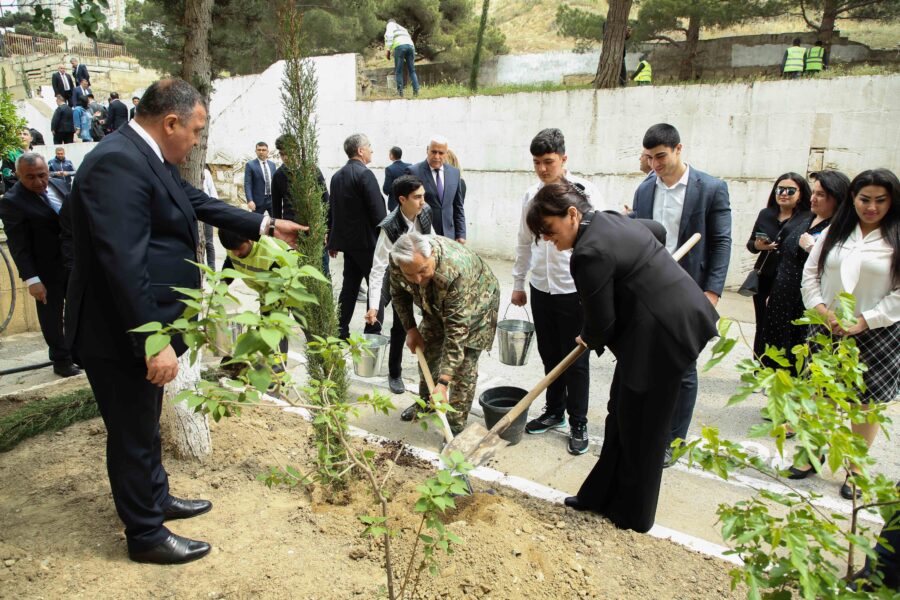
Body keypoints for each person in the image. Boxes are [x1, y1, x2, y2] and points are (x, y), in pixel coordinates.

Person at [64, 78, 306, 564]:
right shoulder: (117, 162)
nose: (197, 141)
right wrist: (154, 340)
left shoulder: (147, 155)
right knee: (132, 434)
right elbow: (123, 261)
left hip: (140, 328)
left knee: (146, 424)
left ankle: (155, 499)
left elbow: (191, 201)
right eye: (194, 131)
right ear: (170, 122)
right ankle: (145, 535)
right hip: (120, 334)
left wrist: (262, 224)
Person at [527, 182, 718, 533]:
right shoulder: (613, 220)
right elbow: (656, 231)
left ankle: (634, 515)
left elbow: (602, 322)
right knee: (620, 414)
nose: (549, 241)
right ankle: (599, 495)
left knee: (644, 429)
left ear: (572, 214)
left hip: (665, 338)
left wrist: (587, 336)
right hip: (661, 327)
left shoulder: (588, 253)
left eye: (550, 232)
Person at [632, 123, 731, 466]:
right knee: (649, 360)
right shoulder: (645, 190)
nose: (656, 164)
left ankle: (674, 439)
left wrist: (712, 293)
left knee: (683, 367)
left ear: (678, 149)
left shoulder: (711, 189)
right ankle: (651, 428)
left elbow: (720, 243)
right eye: (650, 158)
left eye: (661, 156)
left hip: (690, 291)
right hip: (650, 289)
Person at [801, 168, 900, 499]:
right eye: (864, 199)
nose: (871, 207)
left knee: (866, 404)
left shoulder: (895, 238)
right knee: (820, 394)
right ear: (853, 200)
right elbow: (811, 274)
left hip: (876, 332)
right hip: (827, 325)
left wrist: (865, 320)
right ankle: (812, 453)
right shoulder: (835, 233)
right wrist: (821, 310)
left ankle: (855, 467)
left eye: (880, 200)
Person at [511, 128, 597, 455]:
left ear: (564, 159)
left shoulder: (584, 193)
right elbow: (523, 241)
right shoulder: (531, 194)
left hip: (574, 290)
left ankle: (578, 421)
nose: (543, 169)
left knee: (575, 358)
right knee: (549, 354)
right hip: (541, 288)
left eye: (548, 162)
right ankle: (554, 411)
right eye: (537, 163)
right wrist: (519, 283)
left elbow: (597, 241)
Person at [389, 231, 499, 434]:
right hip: (435, 303)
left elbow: (456, 333)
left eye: (422, 270)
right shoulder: (399, 260)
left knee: (463, 368)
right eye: (410, 274)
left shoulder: (456, 271)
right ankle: (427, 402)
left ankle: (455, 428)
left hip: (476, 305)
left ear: (431, 254)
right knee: (428, 350)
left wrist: (443, 382)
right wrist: (411, 329)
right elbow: (397, 293)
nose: (418, 279)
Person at [0, 153, 81, 378]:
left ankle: (80, 353)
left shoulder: (60, 184)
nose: (38, 182)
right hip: (46, 269)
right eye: (30, 177)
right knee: (52, 316)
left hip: (73, 262)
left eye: (42, 175)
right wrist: (32, 279)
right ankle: (61, 361)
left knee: (81, 310)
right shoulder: (11, 201)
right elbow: (18, 245)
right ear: (18, 176)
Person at [761, 170, 844, 386]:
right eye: (813, 192)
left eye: (821, 195)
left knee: (799, 352)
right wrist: (773, 292)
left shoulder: (838, 229)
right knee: (777, 346)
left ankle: (796, 406)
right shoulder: (806, 218)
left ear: (837, 198)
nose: (813, 198)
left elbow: (838, 267)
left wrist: (813, 248)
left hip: (806, 303)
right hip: (782, 296)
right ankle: (778, 399)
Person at [364, 175, 432, 396]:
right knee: (390, 319)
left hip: (415, 272)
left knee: (405, 326)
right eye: (417, 197)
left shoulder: (425, 213)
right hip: (392, 275)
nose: (423, 201)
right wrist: (374, 304)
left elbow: (432, 242)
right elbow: (378, 268)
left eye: (423, 196)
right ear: (402, 199)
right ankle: (393, 373)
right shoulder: (390, 226)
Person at [746, 173, 811, 359]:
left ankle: (781, 367)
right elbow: (751, 244)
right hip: (765, 277)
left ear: (801, 193)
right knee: (762, 322)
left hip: (789, 280)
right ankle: (759, 364)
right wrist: (758, 245)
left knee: (783, 325)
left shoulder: (807, 217)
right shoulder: (766, 214)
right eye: (779, 189)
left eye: (790, 190)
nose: (784, 194)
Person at [328, 133, 386, 340]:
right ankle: (372, 331)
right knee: (377, 286)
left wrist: (332, 241)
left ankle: (340, 330)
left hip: (348, 245)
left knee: (349, 288)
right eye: (369, 146)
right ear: (360, 151)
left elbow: (332, 211)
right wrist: (386, 238)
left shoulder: (337, 176)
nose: (372, 150)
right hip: (368, 244)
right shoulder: (365, 175)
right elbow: (378, 212)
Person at [271, 133, 331, 276]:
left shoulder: (312, 170)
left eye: (288, 153)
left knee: (321, 270)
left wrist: (326, 229)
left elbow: (325, 200)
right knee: (296, 272)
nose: (285, 157)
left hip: (315, 228)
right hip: (291, 231)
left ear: (296, 150)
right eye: (281, 154)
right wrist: (277, 233)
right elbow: (276, 208)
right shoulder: (279, 175)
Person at [405, 135, 465, 243]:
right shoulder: (414, 172)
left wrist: (461, 234)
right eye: (433, 152)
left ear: (446, 154)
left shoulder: (454, 173)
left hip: (449, 235)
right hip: (423, 235)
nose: (437, 156)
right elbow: (407, 206)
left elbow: (458, 206)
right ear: (427, 150)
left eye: (441, 153)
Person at [384, 18, 419, 97]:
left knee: (398, 71)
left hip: (400, 46)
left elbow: (389, 36)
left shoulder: (390, 25)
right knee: (412, 71)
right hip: (411, 46)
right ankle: (416, 92)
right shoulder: (402, 28)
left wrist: (388, 50)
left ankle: (400, 93)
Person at [244, 141, 275, 215]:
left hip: (272, 200)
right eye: (259, 150)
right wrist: (250, 200)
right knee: (256, 224)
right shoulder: (250, 165)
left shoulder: (272, 165)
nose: (261, 152)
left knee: (275, 222)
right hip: (258, 201)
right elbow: (247, 184)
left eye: (263, 150)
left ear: (267, 151)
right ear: (256, 151)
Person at [201, 166, 218, 269]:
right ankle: (201, 268)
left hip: (206, 210)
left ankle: (212, 269)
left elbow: (212, 192)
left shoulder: (206, 173)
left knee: (209, 242)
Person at [383, 146, 410, 211]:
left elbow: (386, 188)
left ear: (392, 155)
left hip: (394, 203)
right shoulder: (409, 166)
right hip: (408, 201)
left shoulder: (389, 169)